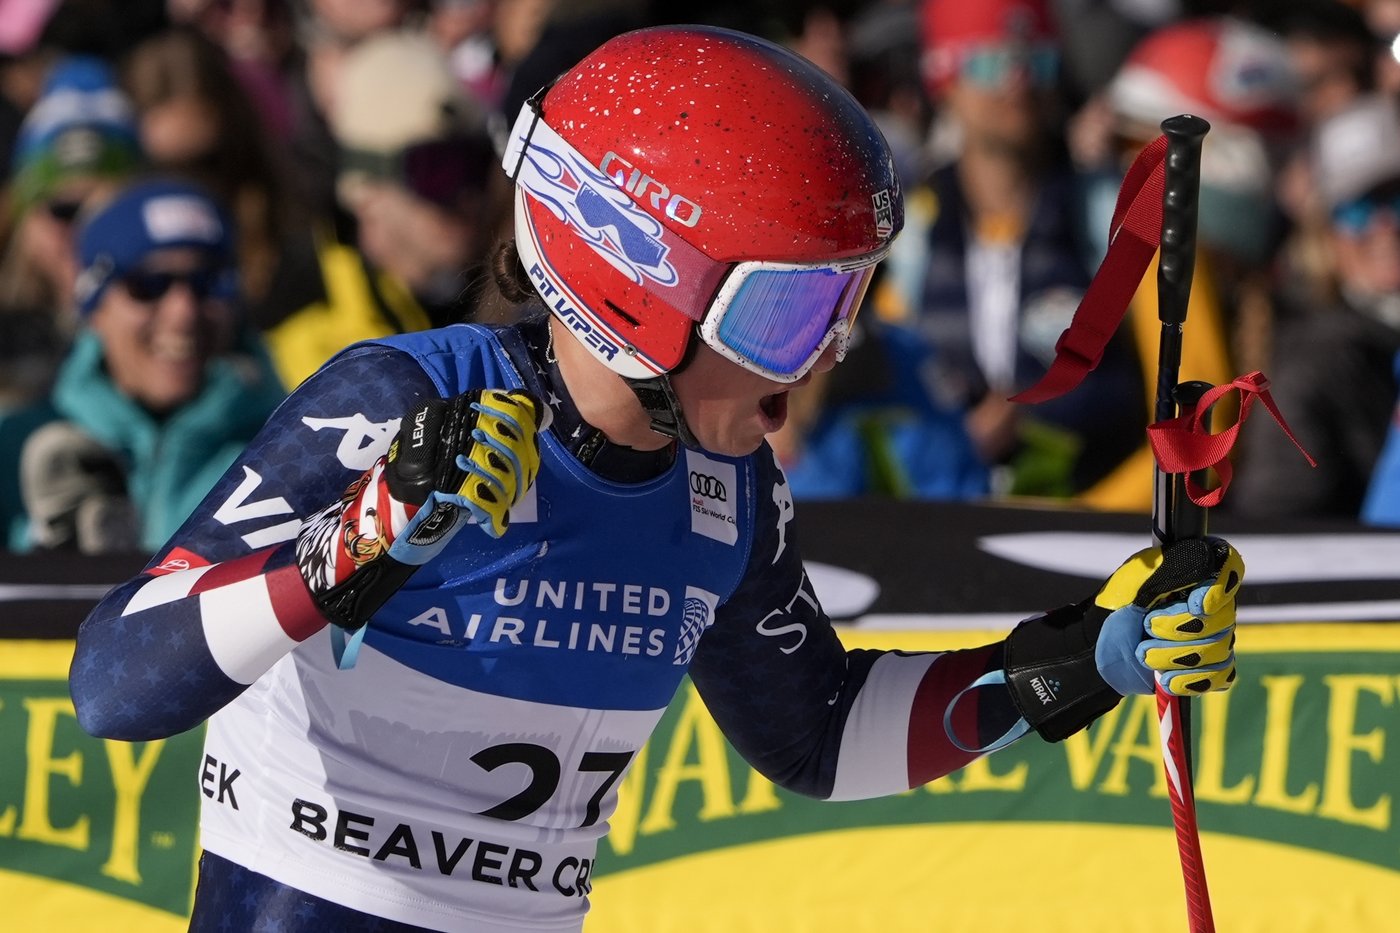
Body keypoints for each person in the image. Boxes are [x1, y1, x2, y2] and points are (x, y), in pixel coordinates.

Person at [69, 26, 1245, 932]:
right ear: (640, 280)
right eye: (789, 310)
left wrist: (1082, 658)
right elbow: (117, 684)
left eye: (843, 307)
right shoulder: (408, 403)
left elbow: (818, 739)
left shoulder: (721, 490)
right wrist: (347, 553)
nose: (814, 368)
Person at [18, 176, 286, 553]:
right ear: (93, 303)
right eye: (148, 285)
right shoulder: (18, 441)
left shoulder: (292, 446)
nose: (183, 312)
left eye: (208, 282)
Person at [1230, 94, 1400, 520]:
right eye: (1358, 208)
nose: (1385, 227)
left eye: (1399, 199)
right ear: (1324, 232)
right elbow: (1277, 529)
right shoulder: (1313, 366)